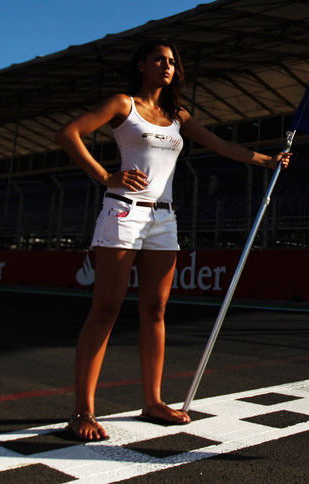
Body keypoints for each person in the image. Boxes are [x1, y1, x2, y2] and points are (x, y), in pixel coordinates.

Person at [54, 38, 291, 441]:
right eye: (158, 60)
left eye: (171, 62)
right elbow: (69, 133)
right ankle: (81, 412)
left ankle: (153, 402)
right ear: (142, 65)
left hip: (164, 220)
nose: (166, 66)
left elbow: (221, 145)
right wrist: (106, 176)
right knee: (106, 311)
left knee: (156, 311)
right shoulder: (122, 104)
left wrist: (267, 161)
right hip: (124, 213)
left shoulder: (177, 114)